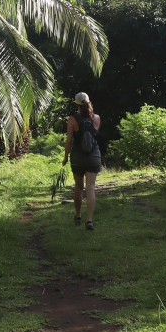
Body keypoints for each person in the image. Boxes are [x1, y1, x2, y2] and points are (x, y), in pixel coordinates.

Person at [63, 91, 101, 230]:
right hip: (93, 156)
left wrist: (65, 157)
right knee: (91, 187)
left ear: (76, 104)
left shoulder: (72, 119)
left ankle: (78, 215)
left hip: (77, 157)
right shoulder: (96, 118)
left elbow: (69, 141)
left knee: (79, 187)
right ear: (89, 102)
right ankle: (89, 220)